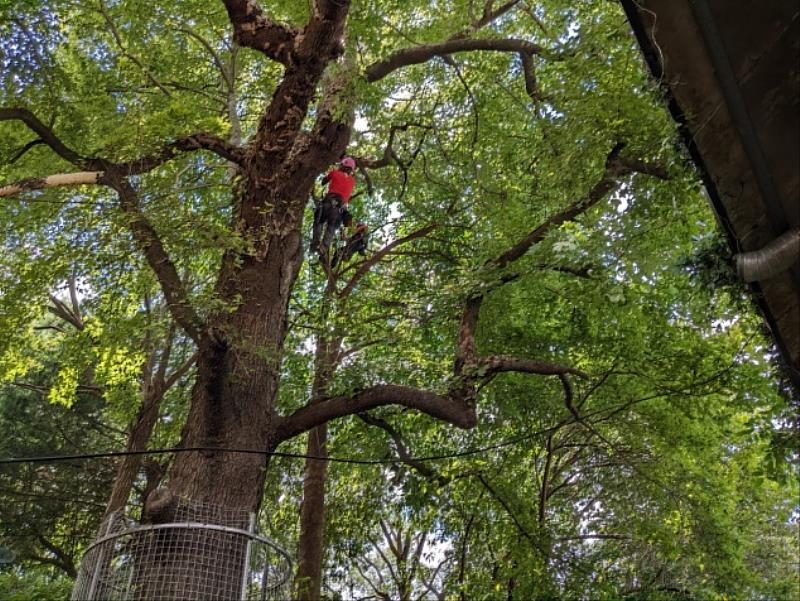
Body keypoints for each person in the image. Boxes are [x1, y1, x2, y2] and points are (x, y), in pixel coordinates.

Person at [311, 157, 356, 256]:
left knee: (319, 222)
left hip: (328, 203)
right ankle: (323, 247)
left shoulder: (335, 172)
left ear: (343, 166)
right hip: (340, 210)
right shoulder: (353, 181)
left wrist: (329, 175)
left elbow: (323, 182)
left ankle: (315, 243)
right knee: (331, 228)